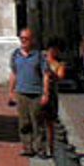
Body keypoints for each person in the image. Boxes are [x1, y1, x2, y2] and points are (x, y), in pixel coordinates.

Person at [9, 27, 51, 158]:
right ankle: (27, 147)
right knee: (24, 122)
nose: (23, 41)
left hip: (36, 93)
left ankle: (41, 149)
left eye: (26, 38)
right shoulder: (16, 54)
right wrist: (11, 91)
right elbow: (14, 73)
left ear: (32, 40)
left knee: (38, 122)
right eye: (21, 38)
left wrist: (45, 93)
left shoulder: (39, 55)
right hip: (21, 92)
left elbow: (45, 75)